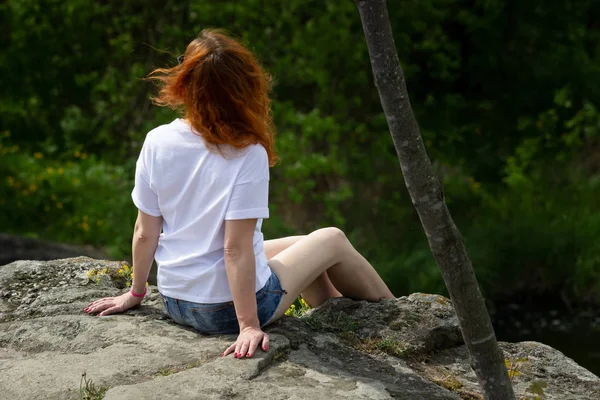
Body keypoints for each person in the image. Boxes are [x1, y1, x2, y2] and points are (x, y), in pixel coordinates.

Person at [84, 29, 394, 360]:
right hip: (226, 312)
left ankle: (335, 315)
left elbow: (145, 232)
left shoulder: (156, 141)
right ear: (242, 90)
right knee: (331, 239)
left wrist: (136, 292)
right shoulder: (247, 152)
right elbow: (234, 249)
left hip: (175, 302)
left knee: (304, 246)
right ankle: (398, 315)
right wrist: (248, 324)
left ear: (185, 83)